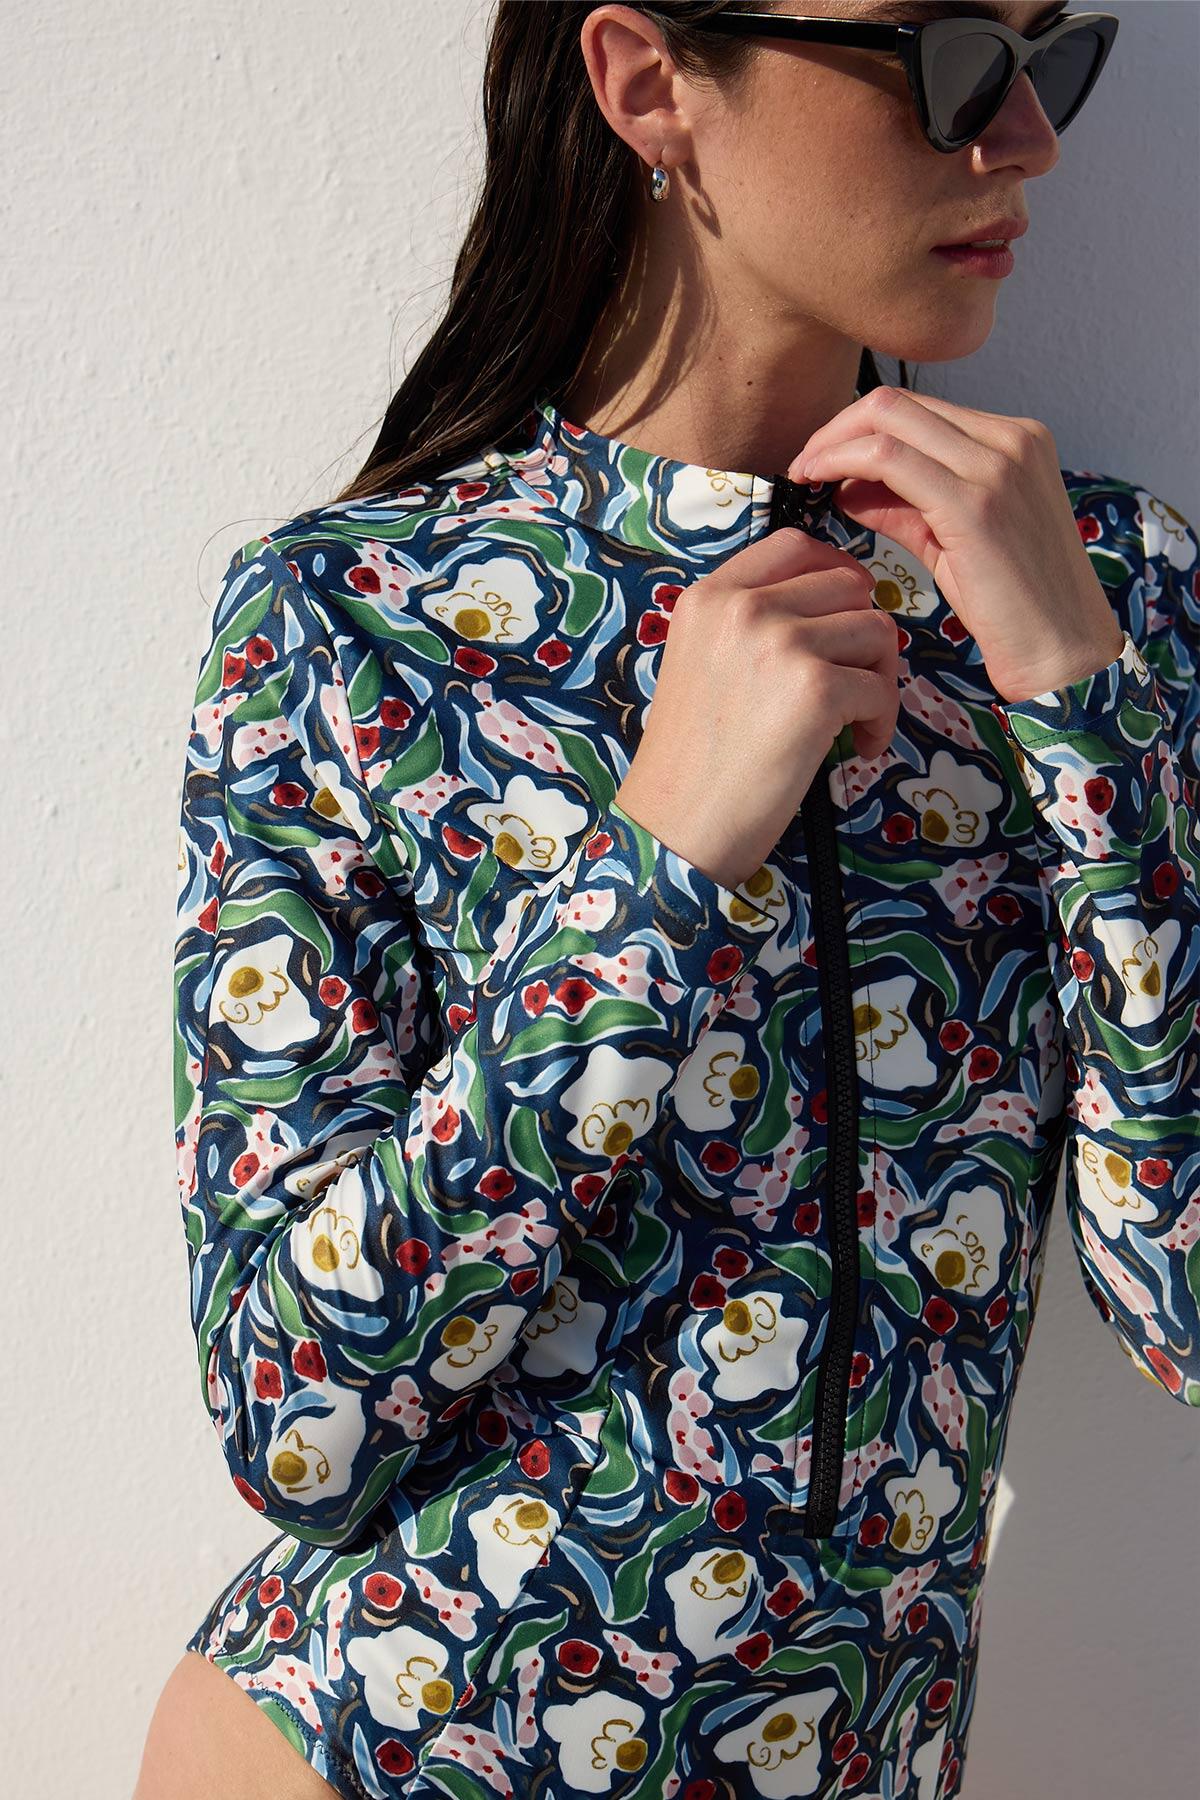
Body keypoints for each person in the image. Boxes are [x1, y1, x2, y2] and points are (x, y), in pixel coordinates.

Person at [136, 3, 1198, 1797]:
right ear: (648, 85)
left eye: (1052, 53)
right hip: (377, 1749)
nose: (1025, 135)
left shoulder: (1109, 591)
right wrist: (657, 868)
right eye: (947, 51)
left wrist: (1084, 715)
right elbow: (293, 1420)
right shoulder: (351, 618)